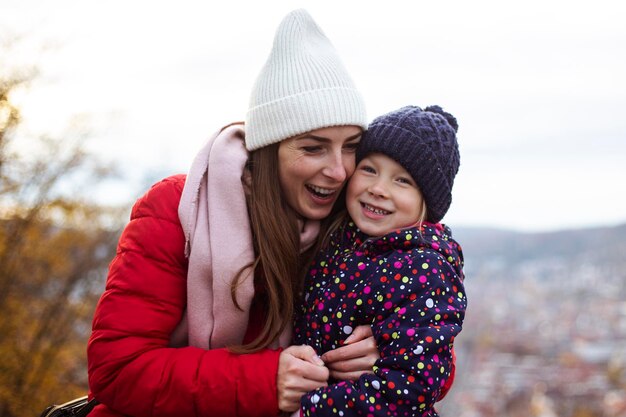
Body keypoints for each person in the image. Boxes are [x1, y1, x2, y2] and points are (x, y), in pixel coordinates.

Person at [87, 9, 379, 417]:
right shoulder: (179, 209)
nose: (338, 170)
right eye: (313, 148)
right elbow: (117, 369)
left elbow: (431, 337)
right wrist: (264, 380)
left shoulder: (361, 221)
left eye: (350, 146)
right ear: (269, 149)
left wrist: (383, 349)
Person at [293, 105, 467, 416]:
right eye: (369, 169)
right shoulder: (338, 236)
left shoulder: (425, 268)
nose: (378, 189)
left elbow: (409, 385)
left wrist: (309, 410)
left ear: (427, 203)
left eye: (402, 181)